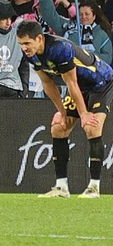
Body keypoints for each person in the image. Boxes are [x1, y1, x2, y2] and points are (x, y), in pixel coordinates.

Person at [17, 19, 112, 198]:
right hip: (78, 87)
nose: (24, 48)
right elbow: (47, 83)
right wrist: (62, 112)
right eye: (21, 44)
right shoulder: (31, 54)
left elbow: (72, 83)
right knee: (58, 129)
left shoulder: (60, 48)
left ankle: (94, 187)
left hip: (100, 83)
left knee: (91, 127)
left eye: (27, 43)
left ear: (39, 38)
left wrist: (84, 114)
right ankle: (61, 188)